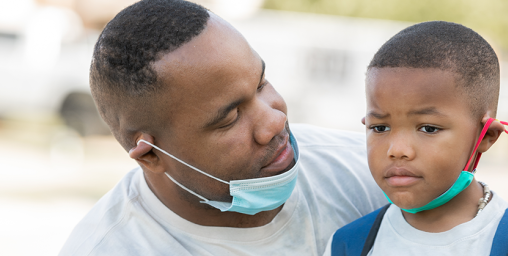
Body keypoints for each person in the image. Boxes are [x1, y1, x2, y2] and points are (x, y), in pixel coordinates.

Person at [58, 0, 387, 255]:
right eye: (230, 117)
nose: (275, 121)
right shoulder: (109, 247)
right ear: (150, 155)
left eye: (261, 84)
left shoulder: (370, 173)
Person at [326, 21, 508, 256]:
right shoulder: (349, 244)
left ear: (486, 136)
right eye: (380, 128)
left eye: (428, 128)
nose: (397, 150)